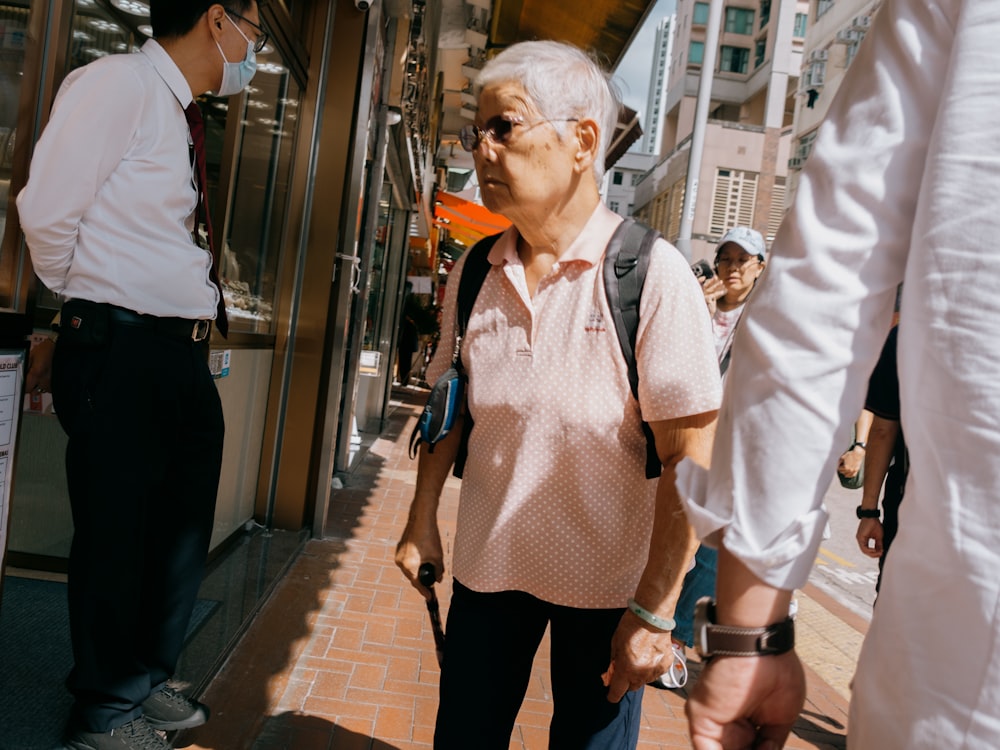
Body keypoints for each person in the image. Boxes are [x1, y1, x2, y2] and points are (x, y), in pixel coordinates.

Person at [679, 0, 1000, 747]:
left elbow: (823, 291)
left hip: (955, 687)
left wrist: (750, 636)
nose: (728, 270)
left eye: (737, 260)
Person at [394, 40, 721, 749]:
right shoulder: (476, 270)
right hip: (489, 570)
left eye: (503, 126)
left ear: (582, 141)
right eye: (474, 132)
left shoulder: (649, 275)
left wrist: (658, 614)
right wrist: (422, 518)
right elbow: (452, 405)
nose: (482, 149)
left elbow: (693, 461)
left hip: (610, 593)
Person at [16, 2, 264, 747]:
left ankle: (144, 677)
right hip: (123, 344)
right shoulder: (116, 83)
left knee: (175, 534)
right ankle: (103, 708)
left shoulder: (175, 106)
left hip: (177, 351)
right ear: (217, 19)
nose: (253, 47)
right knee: (119, 532)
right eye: (253, 25)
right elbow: (47, 213)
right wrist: (87, 302)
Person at [655, 226, 766, 690]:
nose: (734, 268)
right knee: (672, 532)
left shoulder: (765, 323)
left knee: (714, 548)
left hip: (736, 447)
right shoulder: (697, 310)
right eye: (727, 258)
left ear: (761, 268)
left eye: (745, 260)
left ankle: (677, 640)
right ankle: (652, 620)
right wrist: (696, 312)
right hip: (688, 436)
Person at [855, 326, 906, 593]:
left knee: (897, 605)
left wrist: (869, 511)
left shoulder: (907, 335)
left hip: (909, 503)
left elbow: (884, 430)